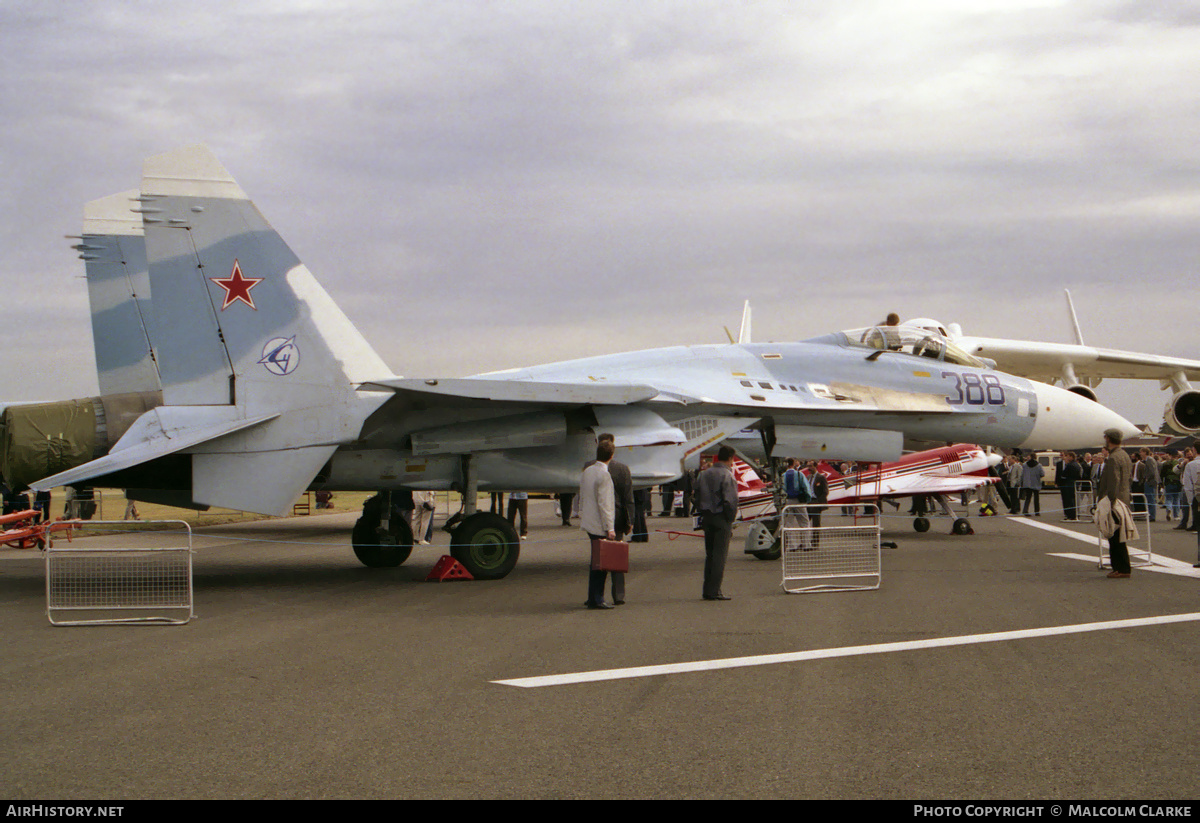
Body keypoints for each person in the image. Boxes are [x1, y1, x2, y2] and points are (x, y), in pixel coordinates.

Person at [695, 445, 738, 601]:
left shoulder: (704, 474)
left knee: (710, 554)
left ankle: (707, 589)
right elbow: (730, 500)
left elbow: (696, 495)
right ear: (730, 458)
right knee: (720, 556)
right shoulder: (727, 475)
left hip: (707, 517)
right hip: (721, 517)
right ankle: (715, 590)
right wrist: (730, 519)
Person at [580, 440, 618, 610]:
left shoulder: (587, 471)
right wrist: (610, 527)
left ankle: (592, 597)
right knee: (601, 564)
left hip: (588, 521)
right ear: (611, 455)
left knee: (595, 562)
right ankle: (598, 598)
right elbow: (605, 504)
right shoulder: (604, 475)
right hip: (599, 524)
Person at [1096, 429, 1134, 578]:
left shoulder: (1113, 458)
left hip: (1115, 501)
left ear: (1109, 439)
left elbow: (1113, 481)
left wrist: (1109, 500)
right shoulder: (1124, 455)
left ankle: (1121, 568)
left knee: (1114, 535)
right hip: (1124, 499)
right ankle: (1122, 567)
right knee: (1119, 536)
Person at [1058, 452, 1082, 521]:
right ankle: (1074, 514)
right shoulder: (1077, 465)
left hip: (1068, 484)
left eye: (1068, 456)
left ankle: (1070, 515)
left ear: (1071, 457)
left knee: (1068, 500)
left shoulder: (1069, 465)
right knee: (1073, 500)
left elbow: (1064, 474)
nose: (1067, 458)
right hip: (1075, 484)